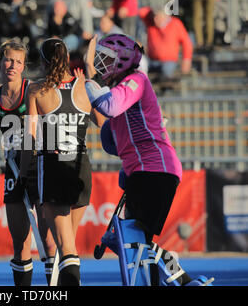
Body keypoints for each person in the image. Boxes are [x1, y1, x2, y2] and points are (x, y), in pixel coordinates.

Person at [83, 33, 195, 285]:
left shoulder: (137, 80)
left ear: (122, 61)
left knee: (135, 241)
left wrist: (89, 77)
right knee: (135, 241)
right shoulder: (120, 92)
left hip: (155, 170)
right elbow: (113, 144)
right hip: (145, 172)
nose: (102, 63)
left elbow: (108, 107)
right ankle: (167, 279)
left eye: (106, 58)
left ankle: (184, 280)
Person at [0, 40, 57, 286]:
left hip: (40, 168)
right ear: (0, 63)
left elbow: (54, 123)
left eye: (18, 61)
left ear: (24, 66)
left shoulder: (35, 90)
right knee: (20, 242)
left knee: (48, 240)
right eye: (8, 60)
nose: (12, 65)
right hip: (15, 172)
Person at [20, 38, 105, 286]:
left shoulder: (36, 90)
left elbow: (30, 139)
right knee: (67, 247)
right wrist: (91, 76)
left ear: (44, 62)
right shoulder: (85, 87)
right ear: (67, 58)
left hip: (55, 168)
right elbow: (103, 122)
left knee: (65, 248)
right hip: (81, 168)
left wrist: (24, 175)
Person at [139, 7, 193, 80]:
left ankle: (165, 89)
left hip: (169, 61)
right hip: (152, 60)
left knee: (166, 72)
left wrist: (186, 59)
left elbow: (186, 43)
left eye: (158, 17)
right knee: (139, 66)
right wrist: (154, 10)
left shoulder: (175, 23)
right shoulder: (150, 22)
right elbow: (141, 12)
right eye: (154, 16)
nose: (155, 19)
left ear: (165, 17)